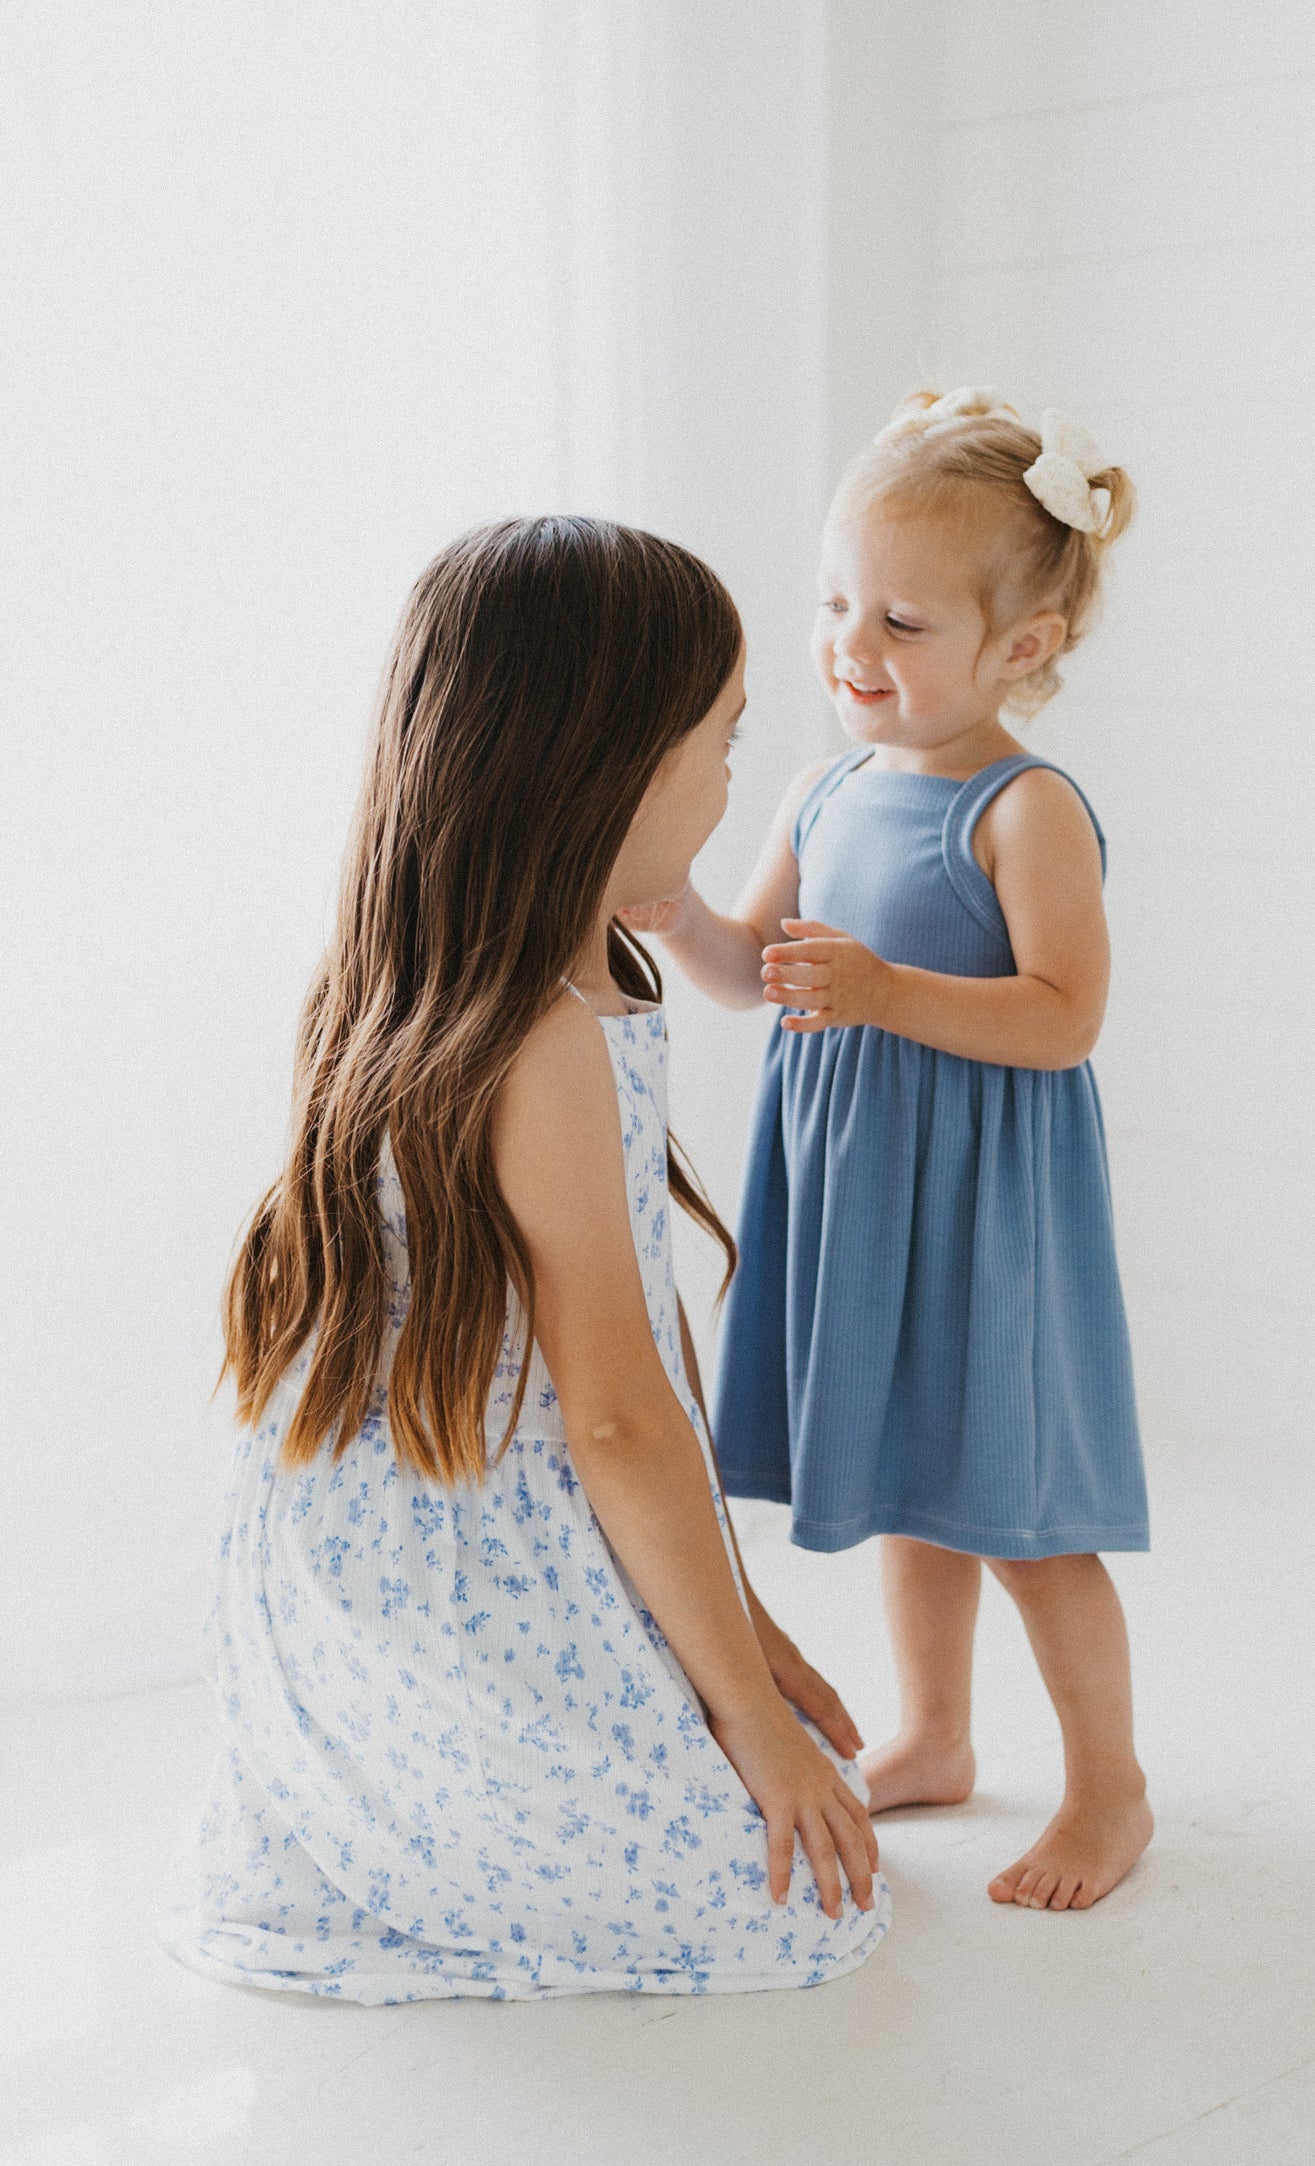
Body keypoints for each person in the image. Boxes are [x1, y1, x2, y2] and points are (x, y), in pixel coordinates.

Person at [164, 516, 885, 2001]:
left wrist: (741, 1638)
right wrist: (742, 1719)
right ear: (613, 761)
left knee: (801, 1817)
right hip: (450, 1551)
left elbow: (641, 1371)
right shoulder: (541, 1037)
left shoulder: (553, 965)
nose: (733, 773)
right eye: (723, 740)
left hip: (468, 1520)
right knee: (782, 1907)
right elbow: (617, 1413)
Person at [632, 391, 1152, 1912]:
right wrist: (674, 907)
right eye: (835, 602)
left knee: (1016, 1507)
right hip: (861, 1196)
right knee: (911, 1481)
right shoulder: (825, 786)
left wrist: (881, 991)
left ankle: (1108, 1788)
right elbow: (749, 969)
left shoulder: (1023, 807)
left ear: (1022, 647)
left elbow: (1064, 1016)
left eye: (903, 619)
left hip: (985, 1209)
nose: (851, 643)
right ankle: (930, 1730)